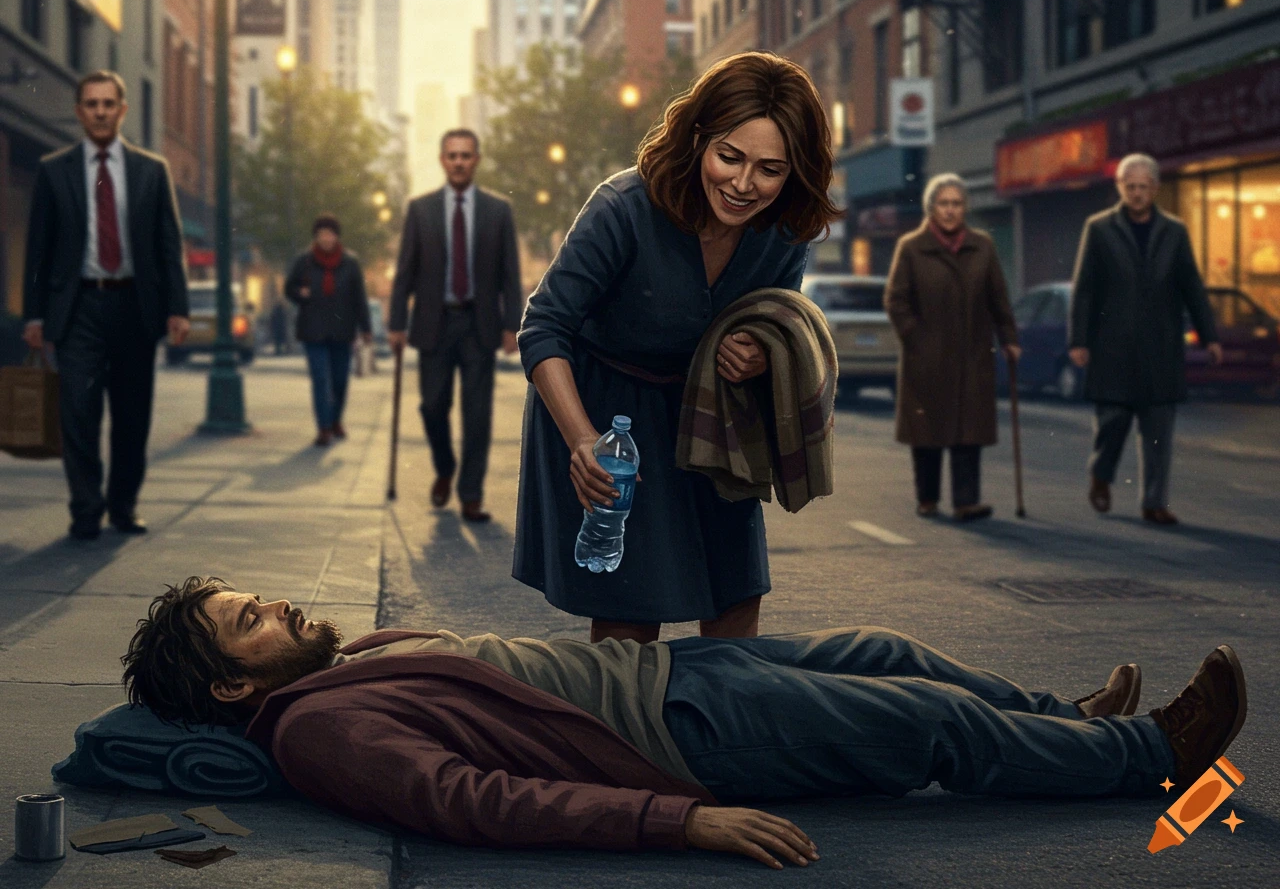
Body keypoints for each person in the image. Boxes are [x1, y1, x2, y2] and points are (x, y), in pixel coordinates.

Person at [120, 577, 1247, 869]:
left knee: (885, 649)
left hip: (670, 670)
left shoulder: (343, 662)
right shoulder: (322, 729)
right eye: (246, 621)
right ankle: (1146, 752)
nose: (273, 604)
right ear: (233, 687)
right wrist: (676, 822)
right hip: (683, 732)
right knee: (921, 724)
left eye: (252, 596)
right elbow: (478, 803)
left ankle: (1068, 719)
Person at [514, 52, 842, 644]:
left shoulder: (786, 229)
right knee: (632, 616)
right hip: (612, 420)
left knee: (736, 598)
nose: (744, 185)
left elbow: (775, 319)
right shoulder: (622, 208)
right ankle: (624, 734)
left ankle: (723, 735)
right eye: (730, 157)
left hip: (715, 421)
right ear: (698, 140)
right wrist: (584, 441)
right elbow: (543, 328)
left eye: (770, 169)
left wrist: (763, 355)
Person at [22, 70, 190, 540]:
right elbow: (38, 250)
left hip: (135, 306)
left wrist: (176, 307)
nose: (99, 111)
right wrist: (35, 315)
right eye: (91, 104)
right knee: (78, 411)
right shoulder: (54, 171)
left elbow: (167, 245)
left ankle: (123, 506)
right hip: (77, 310)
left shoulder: (151, 170)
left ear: (122, 109)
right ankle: (85, 509)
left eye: (107, 103)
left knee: (133, 414)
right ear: (79, 112)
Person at [1069, 154, 1222, 526]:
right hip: (1112, 348)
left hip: (1160, 349)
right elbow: (1085, 289)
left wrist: (1210, 335)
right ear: (1120, 187)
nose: (1136, 194)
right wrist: (1079, 340)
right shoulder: (1100, 228)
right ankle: (1101, 475)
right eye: (1129, 186)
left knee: (1158, 432)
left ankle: (1155, 502)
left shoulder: (1175, 231)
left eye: (1143, 187)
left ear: (1154, 188)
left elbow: (1191, 286)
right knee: (1112, 424)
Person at [388, 129, 522, 523]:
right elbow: (405, 272)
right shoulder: (420, 209)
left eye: (466, 155)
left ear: (476, 159)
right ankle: (445, 466)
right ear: (442, 160)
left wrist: (511, 325)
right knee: (432, 406)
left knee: (477, 413)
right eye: (452, 155)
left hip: (478, 324)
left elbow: (509, 274)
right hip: (434, 322)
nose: (459, 161)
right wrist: (397, 322)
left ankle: (471, 494)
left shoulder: (498, 211)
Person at [885, 173, 1020, 522]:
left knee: (967, 432)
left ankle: (965, 502)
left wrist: (1009, 338)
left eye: (956, 204)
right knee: (928, 433)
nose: (950, 210)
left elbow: (998, 299)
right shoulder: (912, 247)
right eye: (943, 203)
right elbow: (896, 301)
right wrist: (917, 338)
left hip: (972, 356)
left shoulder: (983, 246)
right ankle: (927, 499)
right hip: (927, 359)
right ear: (932, 208)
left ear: (965, 208)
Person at [284, 214, 372, 447]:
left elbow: (359, 298)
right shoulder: (304, 261)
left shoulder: (350, 263)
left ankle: (335, 421)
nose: (326, 238)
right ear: (316, 236)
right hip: (313, 330)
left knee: (340, 381)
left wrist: (366, 328)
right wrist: (299, 294)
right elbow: (288, 288)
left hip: (342, 330)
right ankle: (323, 427)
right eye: (321, 234)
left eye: (330, 233)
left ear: (336, 236)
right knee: (320, 379)